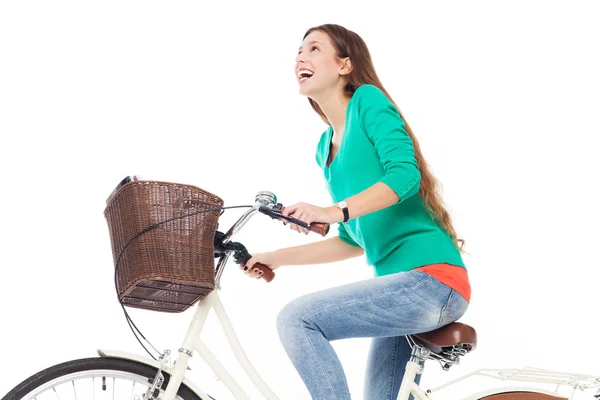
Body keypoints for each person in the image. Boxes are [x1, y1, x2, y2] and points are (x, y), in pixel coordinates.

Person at [242, 23, 471, 400]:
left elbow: (404, 176)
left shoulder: (368, 101)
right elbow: (351, 240)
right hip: (399, 292)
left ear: (345, 64)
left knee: (296, 319)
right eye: (298, 52)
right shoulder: (324, 148)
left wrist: (333, 211)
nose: (301, 57)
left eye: (314, 49)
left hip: (431, 281)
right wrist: (275, 257)